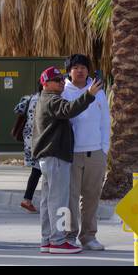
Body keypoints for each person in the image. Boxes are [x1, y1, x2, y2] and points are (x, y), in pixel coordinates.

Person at [31, 65, 101, 255]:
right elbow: (69, 109)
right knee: (58, 200)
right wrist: (89, 94)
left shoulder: (44, 99)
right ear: (46, 83)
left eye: (63, 79)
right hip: (55, 156)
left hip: (48, 157)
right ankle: (58, 241)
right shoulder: (52, 100)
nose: (62, 82)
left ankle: (47, 240)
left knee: (48, 200)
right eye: (57, 80)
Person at [60, 54, 109, 250]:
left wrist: (104, 148)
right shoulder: (63, 92)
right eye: (76, 67)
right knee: (69, 197)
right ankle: (68, 236)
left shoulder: (99, 92)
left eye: (83, 67)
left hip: (95, 152)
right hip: (71, 153)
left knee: (91, 197)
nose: (80, 70)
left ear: (89, 70)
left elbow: (105, 121)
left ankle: (89, 236)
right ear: (69, 71)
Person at [11, 91, 40, 212]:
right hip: (40, 137)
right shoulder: (48, 99)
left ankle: (27, 199)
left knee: (37, 169)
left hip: (29, 137)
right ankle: (29, 200)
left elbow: (18, 109)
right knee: (44, 169)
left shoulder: (30, 98)